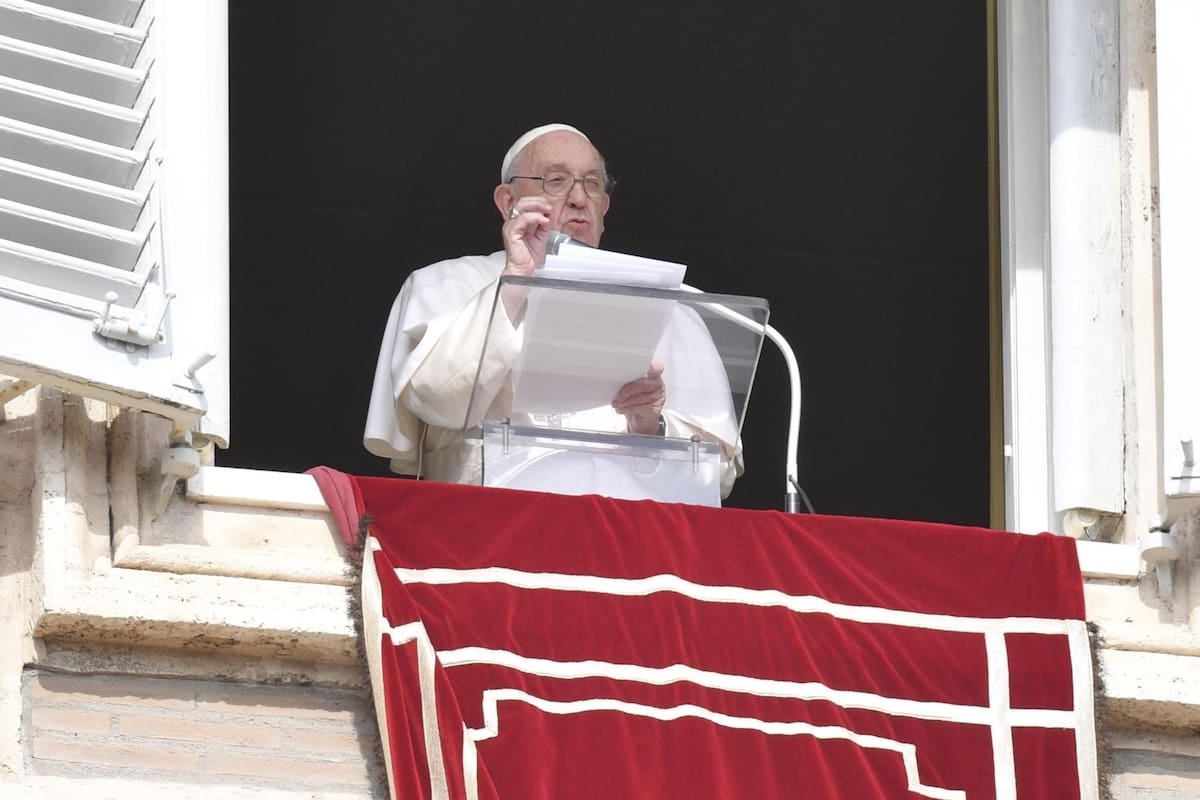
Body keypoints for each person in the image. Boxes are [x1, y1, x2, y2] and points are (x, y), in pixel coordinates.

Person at [364, 123, 742, 499]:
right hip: (490, 533)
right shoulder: (443, 284)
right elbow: (438, 402)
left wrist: (650, 427)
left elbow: (717, 475)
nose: (579, 198)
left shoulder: (674, 307)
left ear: (605, 207)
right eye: (556, 181)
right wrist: (515, 283)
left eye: (593, 184)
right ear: (507, 201)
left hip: (629, 542)